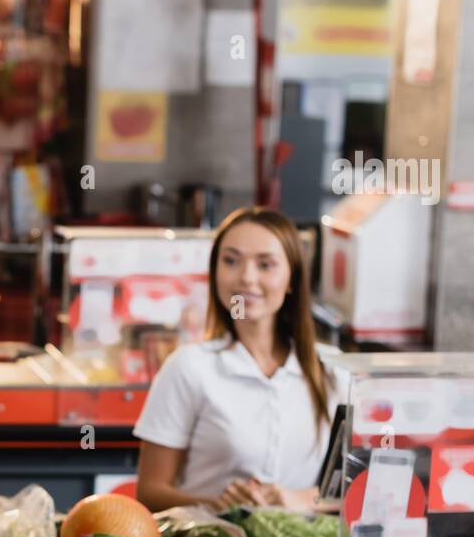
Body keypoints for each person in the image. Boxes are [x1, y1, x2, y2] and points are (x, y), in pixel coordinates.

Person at [134, 208, 341, 514]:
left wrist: (297, 500)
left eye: (265, 265)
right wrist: (216, 505)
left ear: (292, 280)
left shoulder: (335, 371)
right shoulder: (188, 368)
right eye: (231, 261)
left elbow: (357, 490)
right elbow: (149, 493)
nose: (246, 278)